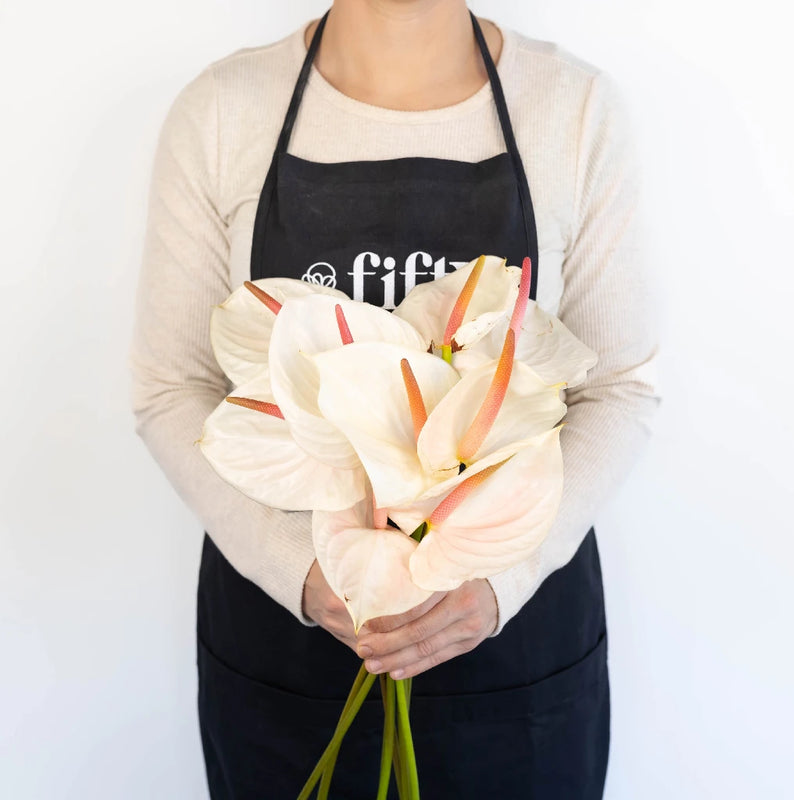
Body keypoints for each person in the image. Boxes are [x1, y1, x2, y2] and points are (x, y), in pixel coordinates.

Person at [130, 1, 660, 797]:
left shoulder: (573, 108)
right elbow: (171, 388)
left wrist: (497, 586)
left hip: (512, 654)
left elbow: (620, 386)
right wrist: (308, 574)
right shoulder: (223, 109)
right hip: (292, 646)